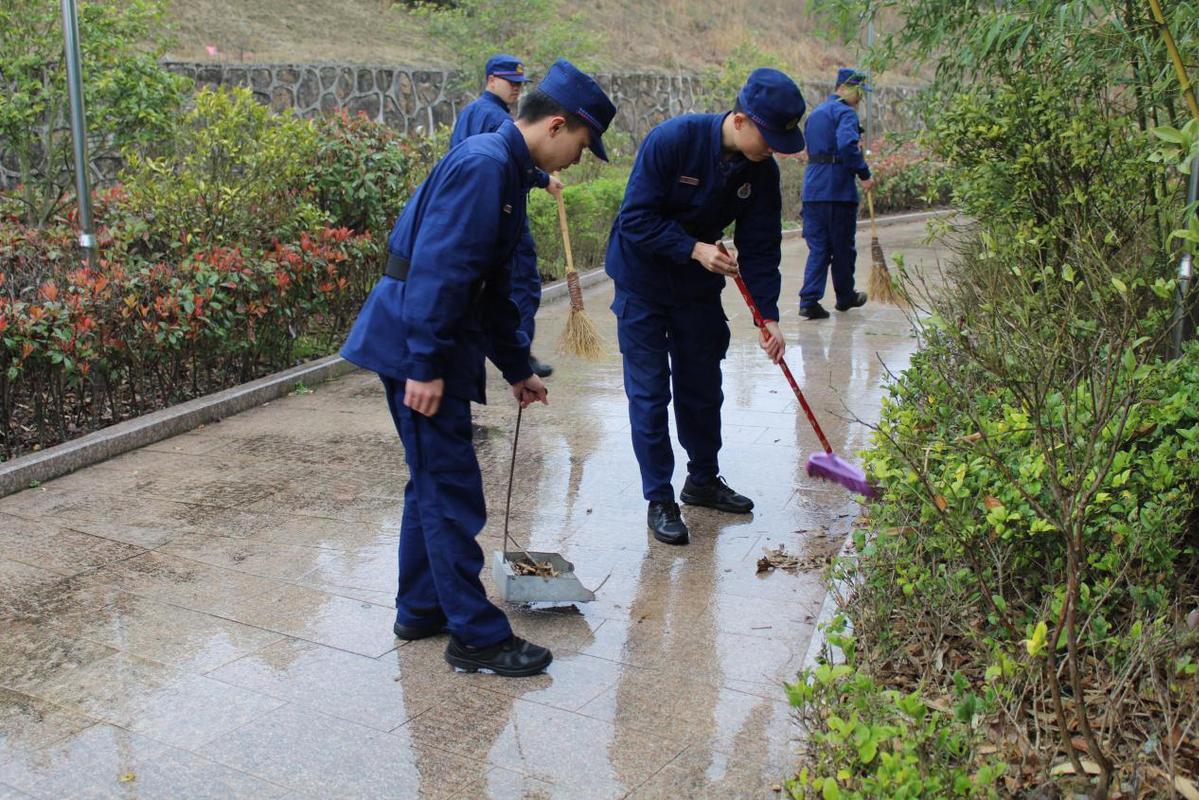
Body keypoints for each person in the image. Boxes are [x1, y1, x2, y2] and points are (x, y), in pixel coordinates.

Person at [340, 59, 616, 677]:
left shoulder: (505, 170)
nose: (577, 159)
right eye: (581, 144)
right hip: (416, 342)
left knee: (432, 481)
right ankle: (476, 638)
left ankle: (421, 607)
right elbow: (440, 271)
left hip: (423, 339)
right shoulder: (487, 167)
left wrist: (517, 367)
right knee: (451, 489)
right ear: (556, 125)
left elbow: (488, 290)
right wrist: (426, 364)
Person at [604, 68, 805, 546]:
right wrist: (694, 248)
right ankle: (659, 498)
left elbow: (760, 247)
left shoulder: (761, 172)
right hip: (643, 283)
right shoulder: (673, 140)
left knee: (702, 384)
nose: (773, 149)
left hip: (696, 289)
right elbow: (635, 218)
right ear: (740, 120)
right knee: (651, 393)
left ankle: (703, 480)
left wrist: (768, 317)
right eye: (770, 138)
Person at [451, 54, 562, 378]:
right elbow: (514, 159)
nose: (515, 88)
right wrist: (544, 178)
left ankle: (487, 357)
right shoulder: (497, 119)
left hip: (473, 212)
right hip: (503, 212)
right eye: (509, 82)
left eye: (519, 84)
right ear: (490, 80)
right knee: (522, 284)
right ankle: (519, 355)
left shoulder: (470, 113)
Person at [798, 68, 875, 320]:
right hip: (837, 191)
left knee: (818, 247)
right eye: (858, 92)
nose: (860, 98)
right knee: (842, 247)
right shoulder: (845, 113)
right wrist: (864, 174)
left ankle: (809, 300)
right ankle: (845, 297)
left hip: (812, 190)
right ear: (842, 88)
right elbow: (846, 146)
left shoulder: (816, 114)